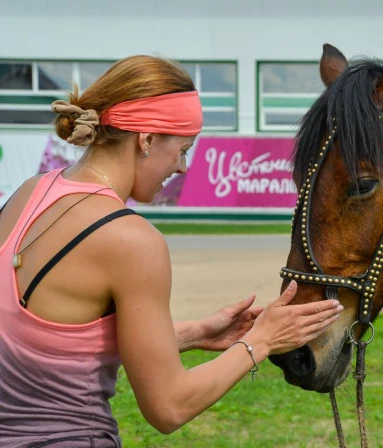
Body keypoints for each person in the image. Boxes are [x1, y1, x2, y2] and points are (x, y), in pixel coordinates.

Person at [0, 55, 343, 447]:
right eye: (183, 149)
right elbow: (168, 407)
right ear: (145, 140)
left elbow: (48, 340)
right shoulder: (130, 240)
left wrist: (195, 333)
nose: (182, 167)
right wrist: (261, 340)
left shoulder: (31, 192)